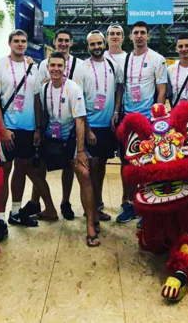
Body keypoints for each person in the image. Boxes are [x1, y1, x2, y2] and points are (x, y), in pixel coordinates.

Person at [0, 30, 57, 243]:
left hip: (28, 129)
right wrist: (2, 129)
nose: (20, 44)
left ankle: (15, 212)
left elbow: (36, 98)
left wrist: (37, 128)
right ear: (9, 43)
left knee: (22, 168)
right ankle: (0, 219)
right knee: (4, 171)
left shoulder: (32, 67)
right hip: (8, 128)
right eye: (16, 41)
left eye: (23, 41)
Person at [40, 52, 100, 247]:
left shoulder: (73, 88)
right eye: (53, 65)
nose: (56, 69)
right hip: (52, 139)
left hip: (71, 139)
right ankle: (47, 208)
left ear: (64, 67)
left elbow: (79, 121)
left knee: (84, 174)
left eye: (59, 65)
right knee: (33, 167)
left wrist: (80, 151)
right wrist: (39, 133)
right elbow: (44, 115)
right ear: (48, 67)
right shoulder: (44, 88)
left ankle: (90, 225)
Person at [27, 29, 83, 220]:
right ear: (54, 42)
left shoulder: (79, 64)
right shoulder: (44, 64)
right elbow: (40, 91)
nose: (63, 43)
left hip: (70, 122)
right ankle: (36, 201)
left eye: (67, 40)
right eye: (60, 40)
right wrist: (39, 127)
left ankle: (65, 202)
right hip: (50, 124)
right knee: (38, 164)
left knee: (68, 168)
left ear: (72, 42)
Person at [116, 21, 168, 223]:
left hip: (148, 119)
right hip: (128, 119)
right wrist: (116, 111)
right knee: (127, 163)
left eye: (142, 33)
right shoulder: (124, 60)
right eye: (136, 33)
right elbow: (121, 88)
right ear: (130, 36)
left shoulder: (157, 59)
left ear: (148, 36)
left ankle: (147, 206)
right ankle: (129, 203)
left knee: (148, 163)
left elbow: (161, 89)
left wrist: (157, 117)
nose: (139, 36)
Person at [73, 31, 123, 222]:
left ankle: (97, 205)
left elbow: (119, 87)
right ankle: (91, 210)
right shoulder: (82, 68)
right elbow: (78, 102)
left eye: (99, 43)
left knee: (101, 165)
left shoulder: (113, 65)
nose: (96, 47)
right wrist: (87, 130)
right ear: (88, 47)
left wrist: (116, 110)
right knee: (91, 168)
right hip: (90, 126)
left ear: (104, 44)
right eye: (92, 44)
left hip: (107, 127)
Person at [167, 34, 188, 106]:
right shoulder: (170, 70)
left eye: (187, 46)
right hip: (177, 111)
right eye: (180, 46)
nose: (184, 49)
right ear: (176, 49)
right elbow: (169, 94)